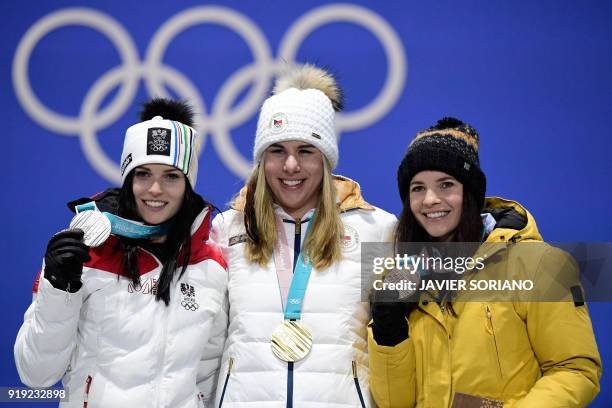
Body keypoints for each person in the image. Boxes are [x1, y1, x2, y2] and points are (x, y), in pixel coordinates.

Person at [368, 117, 602, 407]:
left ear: (471, 193)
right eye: (417, 188)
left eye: (445, 185)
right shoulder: (401, 276)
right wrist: (388, 326)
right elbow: (395, 402)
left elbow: (574, 371)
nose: (429, 199)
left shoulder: (538, 264)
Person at [14, 99, 228, 407]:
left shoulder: (211, 266)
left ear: (188, 184)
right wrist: (59, 290)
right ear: (128, 179)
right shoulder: (86, 250)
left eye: (171, 176)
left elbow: (207, 381)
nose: (155, 189)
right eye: (143, 174)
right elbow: (35, 374)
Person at [211, 64, 397, 407]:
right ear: (261, 160)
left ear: (326, 160)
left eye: (306, 151)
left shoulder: (378, 231)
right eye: (277, 151)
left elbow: (451, 297)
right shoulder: (228, 230)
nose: (291, 166)